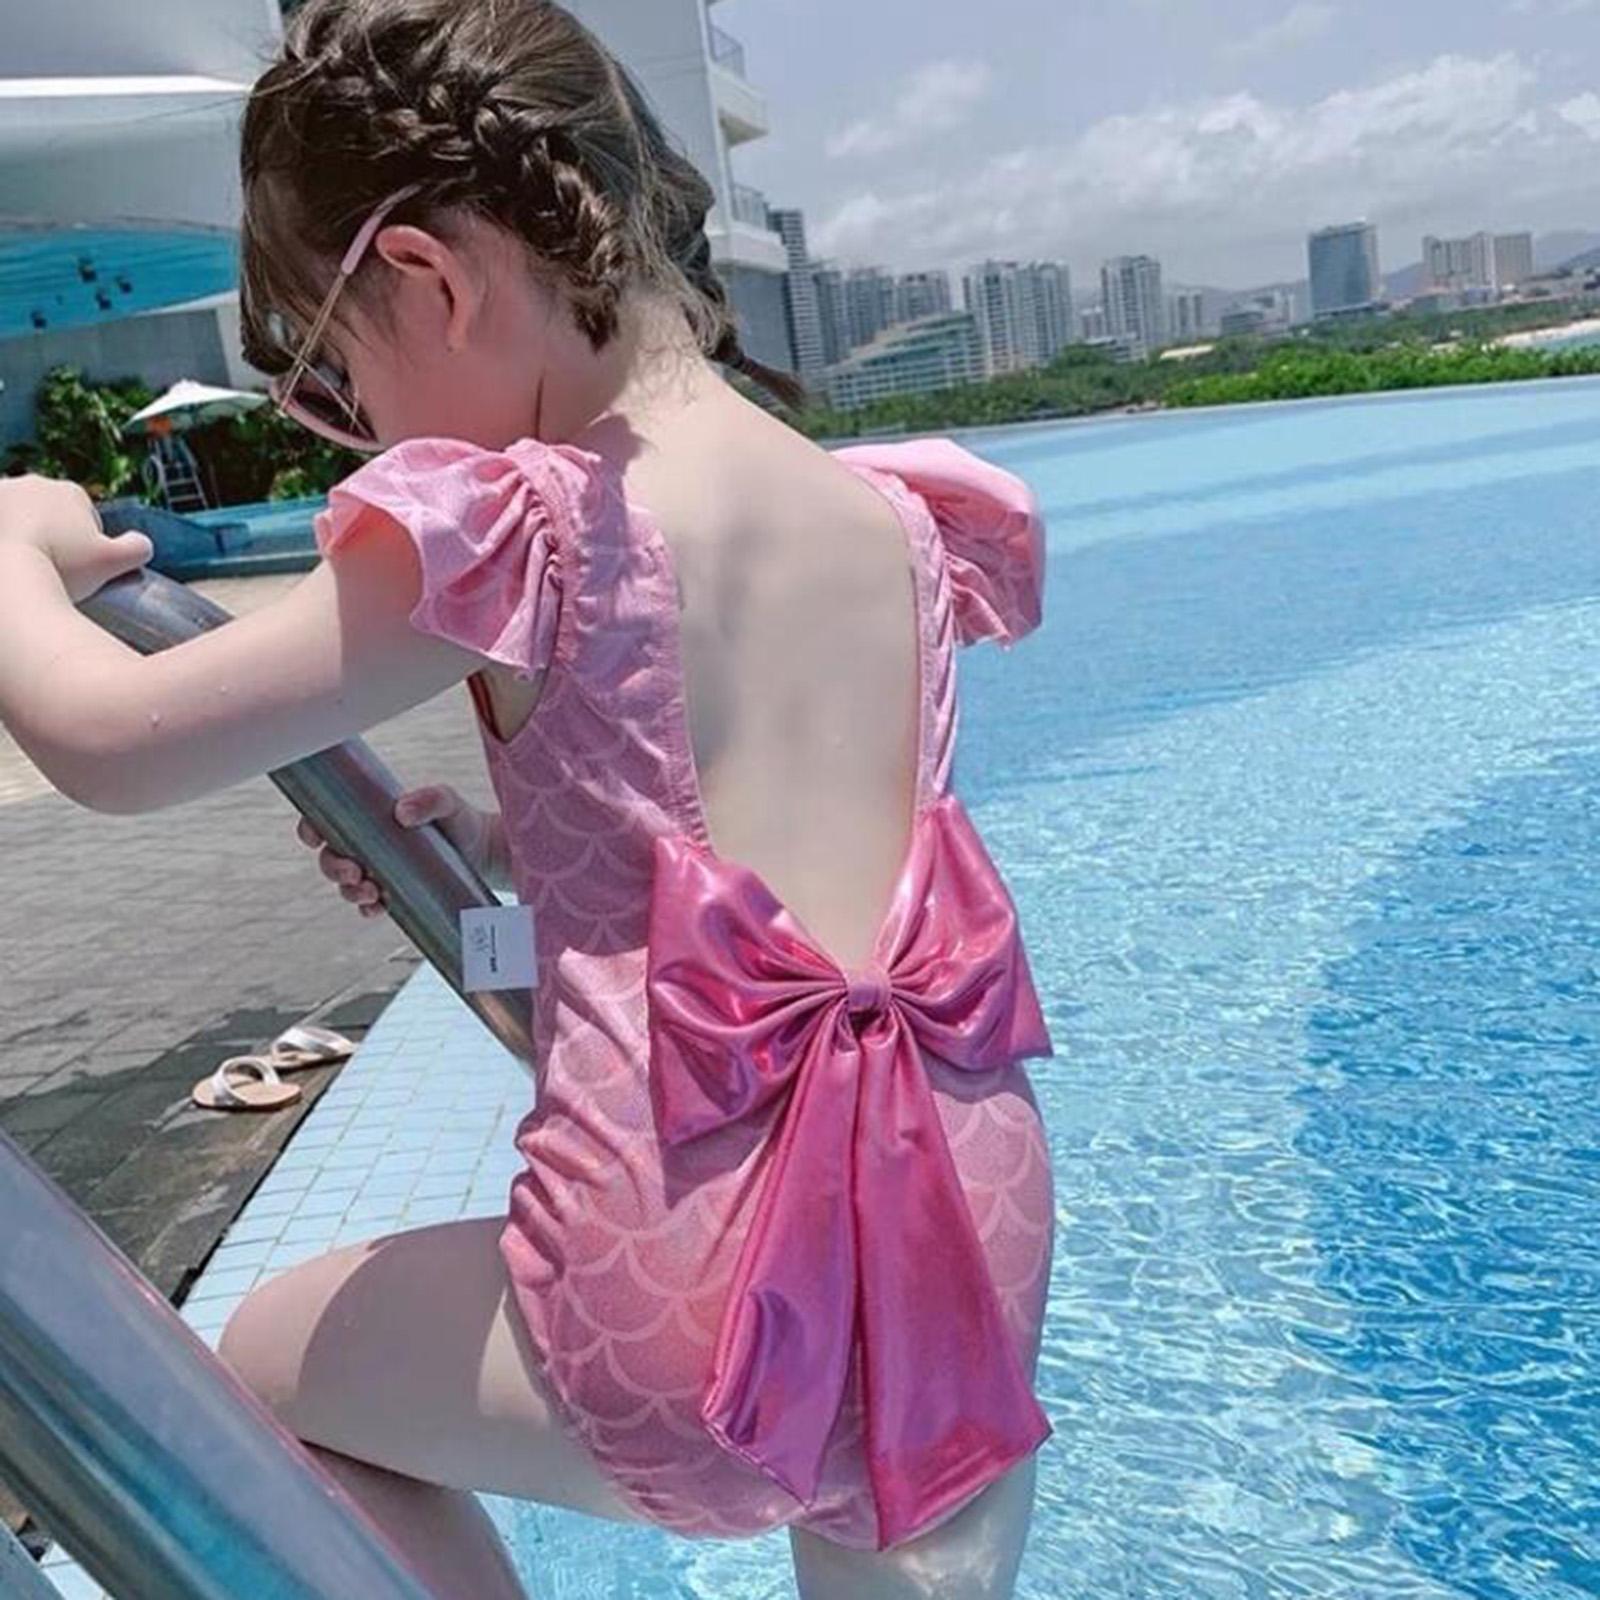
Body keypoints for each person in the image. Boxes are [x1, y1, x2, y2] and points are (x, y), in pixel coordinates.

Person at [0, 1, 1057, 1594]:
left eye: (335, 373)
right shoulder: (894, 513)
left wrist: (18, 558)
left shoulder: (527, 520)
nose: (353, 423)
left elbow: (115, 740)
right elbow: (761, 826)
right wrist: (516, 844)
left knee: (265, 1384)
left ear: (428, 280)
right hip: (967, 1222)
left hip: (701, 1287)